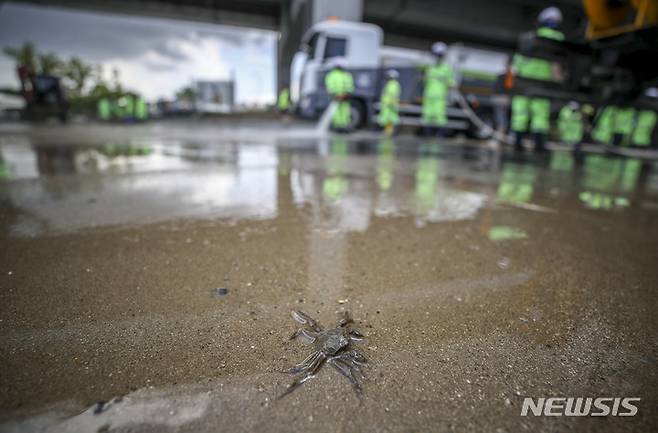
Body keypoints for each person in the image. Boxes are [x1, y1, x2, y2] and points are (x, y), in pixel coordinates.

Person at [510, 6, 564, 151]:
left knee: (520, 113)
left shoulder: (530, 37)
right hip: (541, 83)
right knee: (540, 114)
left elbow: (517, 61)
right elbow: (556, 63)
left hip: (522, 81)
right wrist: (559, 79)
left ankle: (517, 142)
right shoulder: (557, 38)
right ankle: (539, 144)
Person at [422, 42, 455, 137]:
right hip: (428, 95)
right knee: (427, 115)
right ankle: (427, 135)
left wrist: (452, 85)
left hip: (440, 96)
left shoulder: (446, 68)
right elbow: (426, 81)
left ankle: (439, 135)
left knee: (439, 116)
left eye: (439, 55)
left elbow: (450, 82)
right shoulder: (430, 68)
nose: (437, 57)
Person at [324, 57, 354, 132]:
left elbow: (349, 86)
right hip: (336, 96)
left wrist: (346, 94)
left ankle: (344, 126)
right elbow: (330, 86)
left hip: (343, 97)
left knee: (345, 111)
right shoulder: (333, 75)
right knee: (336, 111)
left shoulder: (345, 75)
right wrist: (335, 95)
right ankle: (337, 127)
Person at [378, 69, 401, 135]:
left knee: (391, 119)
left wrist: (392, 103)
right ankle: (388, 131)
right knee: (388, 119)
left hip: (390, 105)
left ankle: (391, 132)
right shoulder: (391, 84)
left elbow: (393, 95)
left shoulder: (393, 84)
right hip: (388, 105)